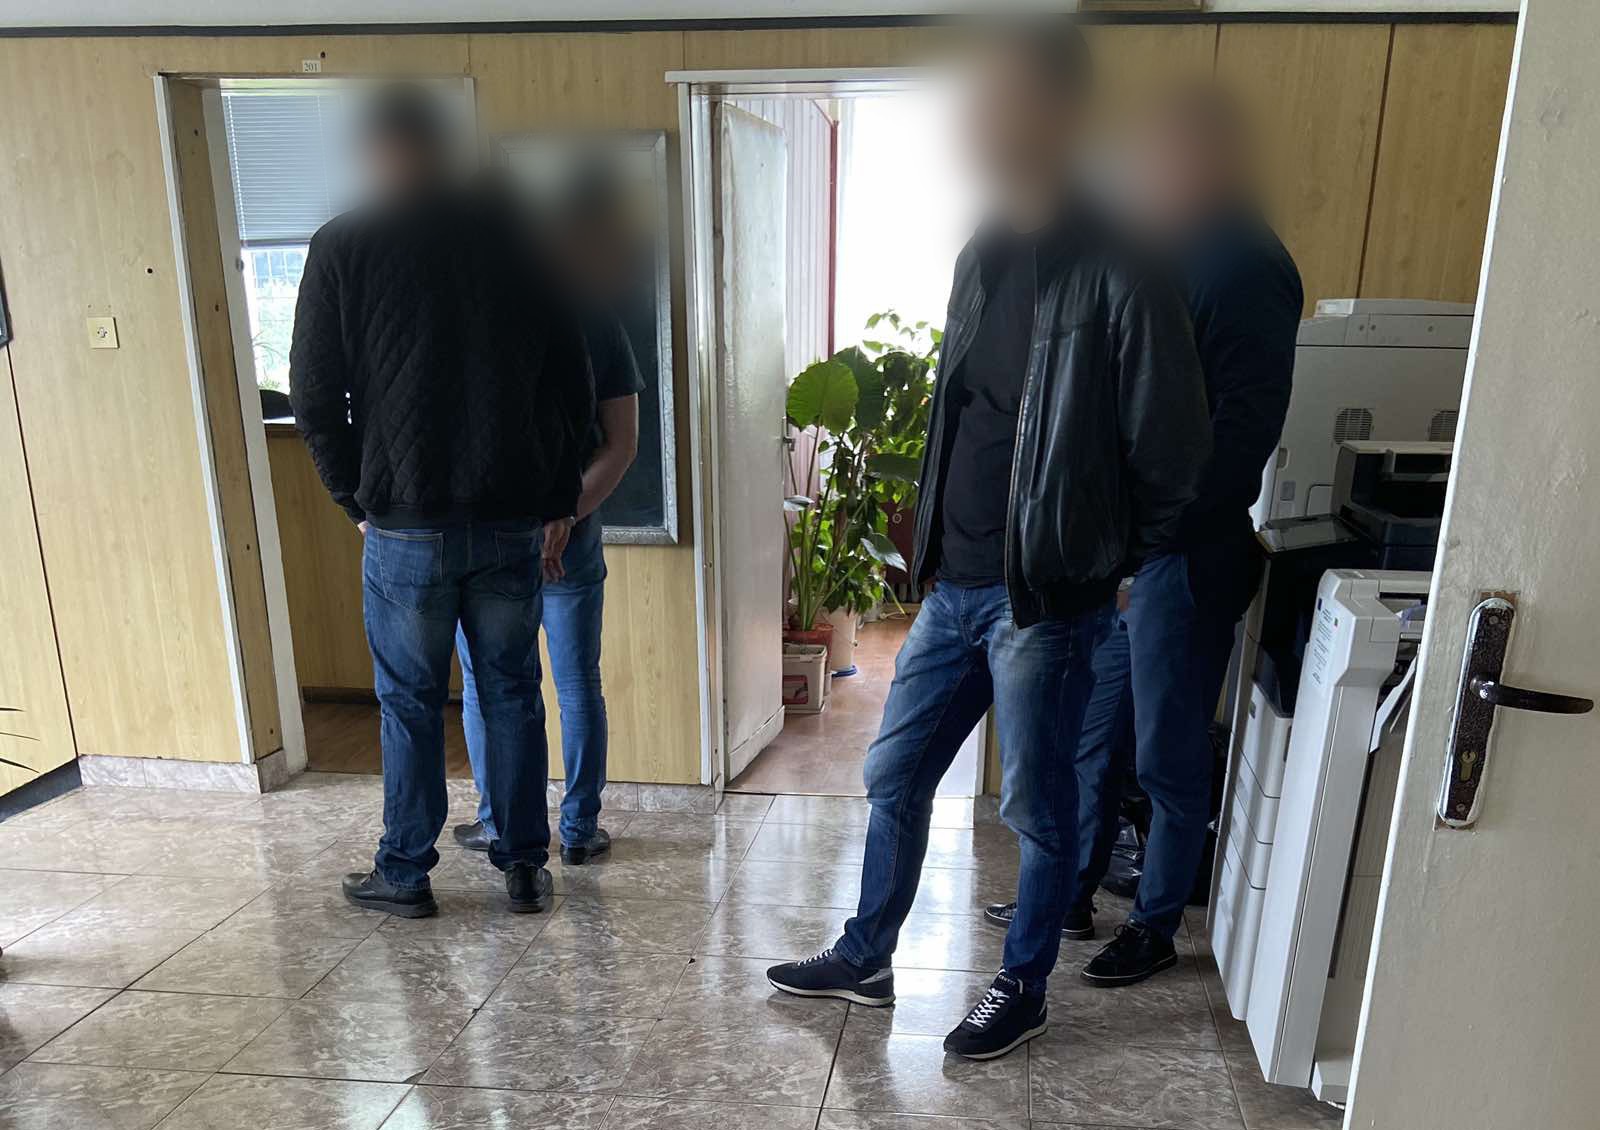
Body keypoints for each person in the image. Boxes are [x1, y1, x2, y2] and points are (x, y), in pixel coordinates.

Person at [765, 20, 1212, 1061]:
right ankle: (867, 954)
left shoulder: (1122, 262)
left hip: (1046, 596)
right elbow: (964, 412)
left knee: (1036, 808)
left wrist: (1111, 562)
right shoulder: (982, 252)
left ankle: (1022, 985)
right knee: (894, 773)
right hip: (955, 587)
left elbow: (1175, 445)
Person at [983, 85, 1304, 986]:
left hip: (1184, 560)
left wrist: (1147, 542)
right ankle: (1072, 892)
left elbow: (1238, 437)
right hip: (1134, 560)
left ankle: (1156, 924)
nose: (1145, 175)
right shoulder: (1176, 252)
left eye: (1161, 157)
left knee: (1166, 754)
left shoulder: (1245, 265)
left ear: (1210, 158)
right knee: (1094, 739)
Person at [289, 84, 592, 918]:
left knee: (410, 703)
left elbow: (313, 395)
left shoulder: (343, 245)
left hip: (406, 525)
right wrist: (556, 498)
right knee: (511, 692)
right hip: (508, 518)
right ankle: (524, 867)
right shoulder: (521, 241)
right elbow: (572, 386)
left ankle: (406, 870)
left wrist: (357, 498)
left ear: (377, 152)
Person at [453, 169, 644, 867]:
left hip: (486, 542)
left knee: (491, 688)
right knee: (574, 685)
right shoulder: (591, 314)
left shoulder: (464, 320)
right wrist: (561, 515)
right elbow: (620, 445)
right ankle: (578, 829)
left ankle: (500, 824)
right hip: (567, 536)